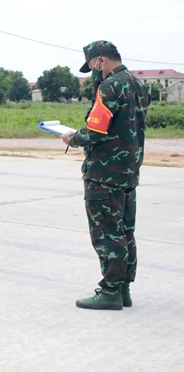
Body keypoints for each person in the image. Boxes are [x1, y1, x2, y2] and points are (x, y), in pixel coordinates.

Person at [62, 40, 150, 310]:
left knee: (107, 233)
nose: (93, 73)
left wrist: (71, 137)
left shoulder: (109, 86)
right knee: (125, 231)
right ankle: (123, 288)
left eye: (92, 67)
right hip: (128, 172)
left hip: (104, 174)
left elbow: (96, 131)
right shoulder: (138, 85)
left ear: (101, 60)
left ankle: (110, 290)